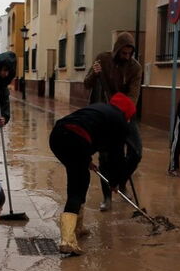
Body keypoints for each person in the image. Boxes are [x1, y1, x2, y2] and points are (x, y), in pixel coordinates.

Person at [49, 93, 139, 255]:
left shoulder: (100, 109)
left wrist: (86, 160)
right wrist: (114, 182)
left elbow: (88, 129)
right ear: (127, 113)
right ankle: (67, 240)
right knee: (77, 187)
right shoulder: (120, 122)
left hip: (57, 135)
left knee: (80, 178)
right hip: (75, 140)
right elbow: (116, 158)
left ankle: (78, 227)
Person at [83, 32, 143, 211]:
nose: (126, 57)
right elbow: (87, 83)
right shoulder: (102, 59)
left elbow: (133, 95)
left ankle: (120, 181)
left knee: (136, 152)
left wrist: (122, 111)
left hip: (124, 113)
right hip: (103, 115)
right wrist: (94, 74)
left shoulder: (135, 68)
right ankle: (107, 197)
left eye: (129, 54)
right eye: (123, 53)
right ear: (117, 50)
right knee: (106, 157)